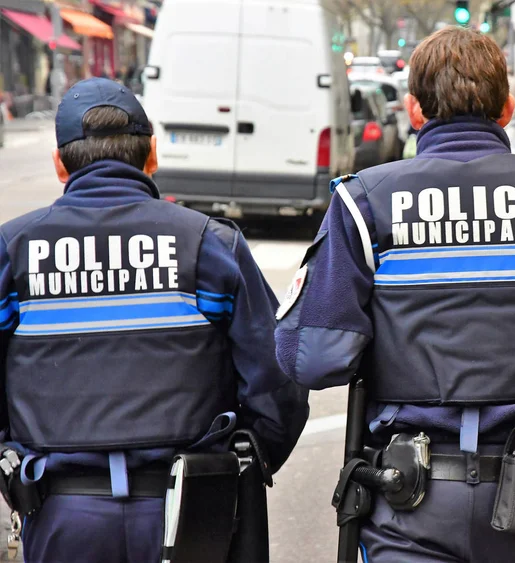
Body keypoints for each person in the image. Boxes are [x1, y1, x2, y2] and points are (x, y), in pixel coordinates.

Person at [275, 26, 515, 563]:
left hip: (409, 504)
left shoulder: (364, 203)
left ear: (414, 110)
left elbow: (314, 359)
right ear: (507, 109)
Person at [0, 77, 309, 563]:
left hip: (62, 514)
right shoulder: (207, 244)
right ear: (153, 156)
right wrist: (242, 463)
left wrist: (12, 464)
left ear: (60, 164)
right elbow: (279, 381)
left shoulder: (13, 251)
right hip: (189, 515)